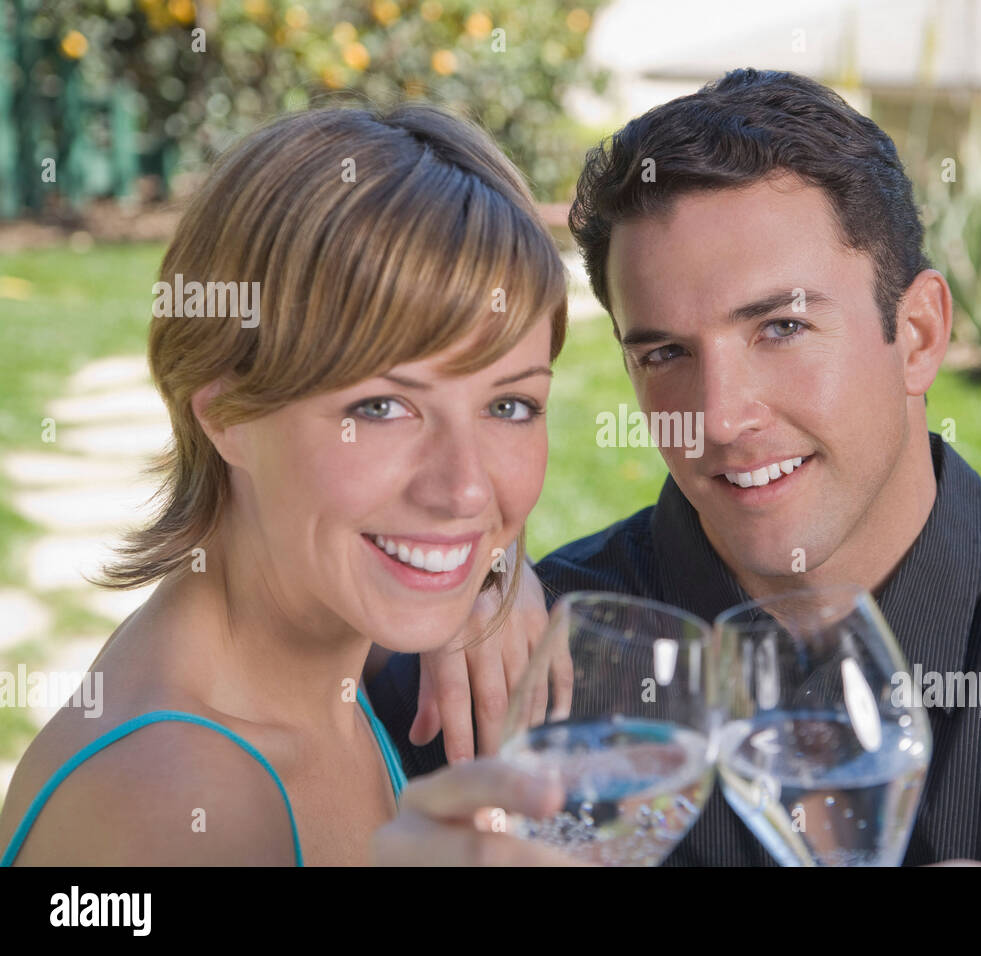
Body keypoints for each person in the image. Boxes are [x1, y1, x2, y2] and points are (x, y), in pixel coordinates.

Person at [368, 69, 981, 866]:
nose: (720, 418)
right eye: (664, 354)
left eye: (782, 328)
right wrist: (455, 583)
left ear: (917, 335)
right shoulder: (495, 678)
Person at [0, 103, 576, 866]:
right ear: (228, 415)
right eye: (381, 407)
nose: (465, 489)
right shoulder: (181, 807)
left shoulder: (308, 640)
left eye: (509, 405)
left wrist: (495, 572)